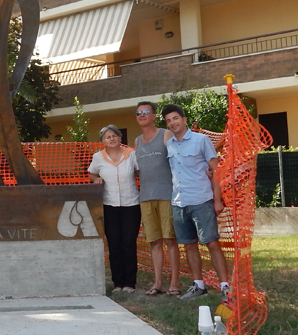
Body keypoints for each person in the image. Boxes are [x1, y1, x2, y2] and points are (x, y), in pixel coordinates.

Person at [161, 104, 230, 301]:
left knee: (212, 243)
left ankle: (225, 286)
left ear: (184, 119)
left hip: (201, 200)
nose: (172, 123)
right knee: (189, 245)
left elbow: (217, 171)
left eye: (175, 118)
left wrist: (218, 200)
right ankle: (198, 285)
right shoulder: (170, 144)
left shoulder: (202, 140)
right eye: (168, 120)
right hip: (179, 202)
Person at [134, 102, 181, 296]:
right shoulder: (136, 141)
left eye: (146, 112)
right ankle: (158, 283)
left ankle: (175, 284)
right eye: (138, 113)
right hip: (145, 197)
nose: (142, 115)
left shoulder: (165, 134)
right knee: (154, 242)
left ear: (154, 116)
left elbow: (179, 161)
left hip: (167, 195)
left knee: (170, 240)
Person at [88, 125, 140, 293]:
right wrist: (96, 179)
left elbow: (139, 172)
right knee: (114, 244)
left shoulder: (131, 154)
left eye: (114, 136)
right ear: (103, 141)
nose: (111, 139)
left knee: (129, 243)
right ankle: (117, 283)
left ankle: (130, 283)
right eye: (107, 137)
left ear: (120, 138)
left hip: (131, 204)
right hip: (109, 205)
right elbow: (92, 174)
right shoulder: (98, 157)